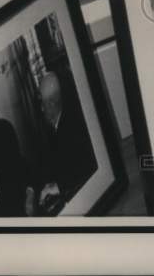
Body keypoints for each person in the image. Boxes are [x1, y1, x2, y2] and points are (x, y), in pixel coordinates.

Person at [35, 71, 98, 213]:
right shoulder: (54, 129)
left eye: (42, 102)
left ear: (51, 103)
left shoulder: (74, 126)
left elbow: (88, 166)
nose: (41, 108)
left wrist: (58, 186)